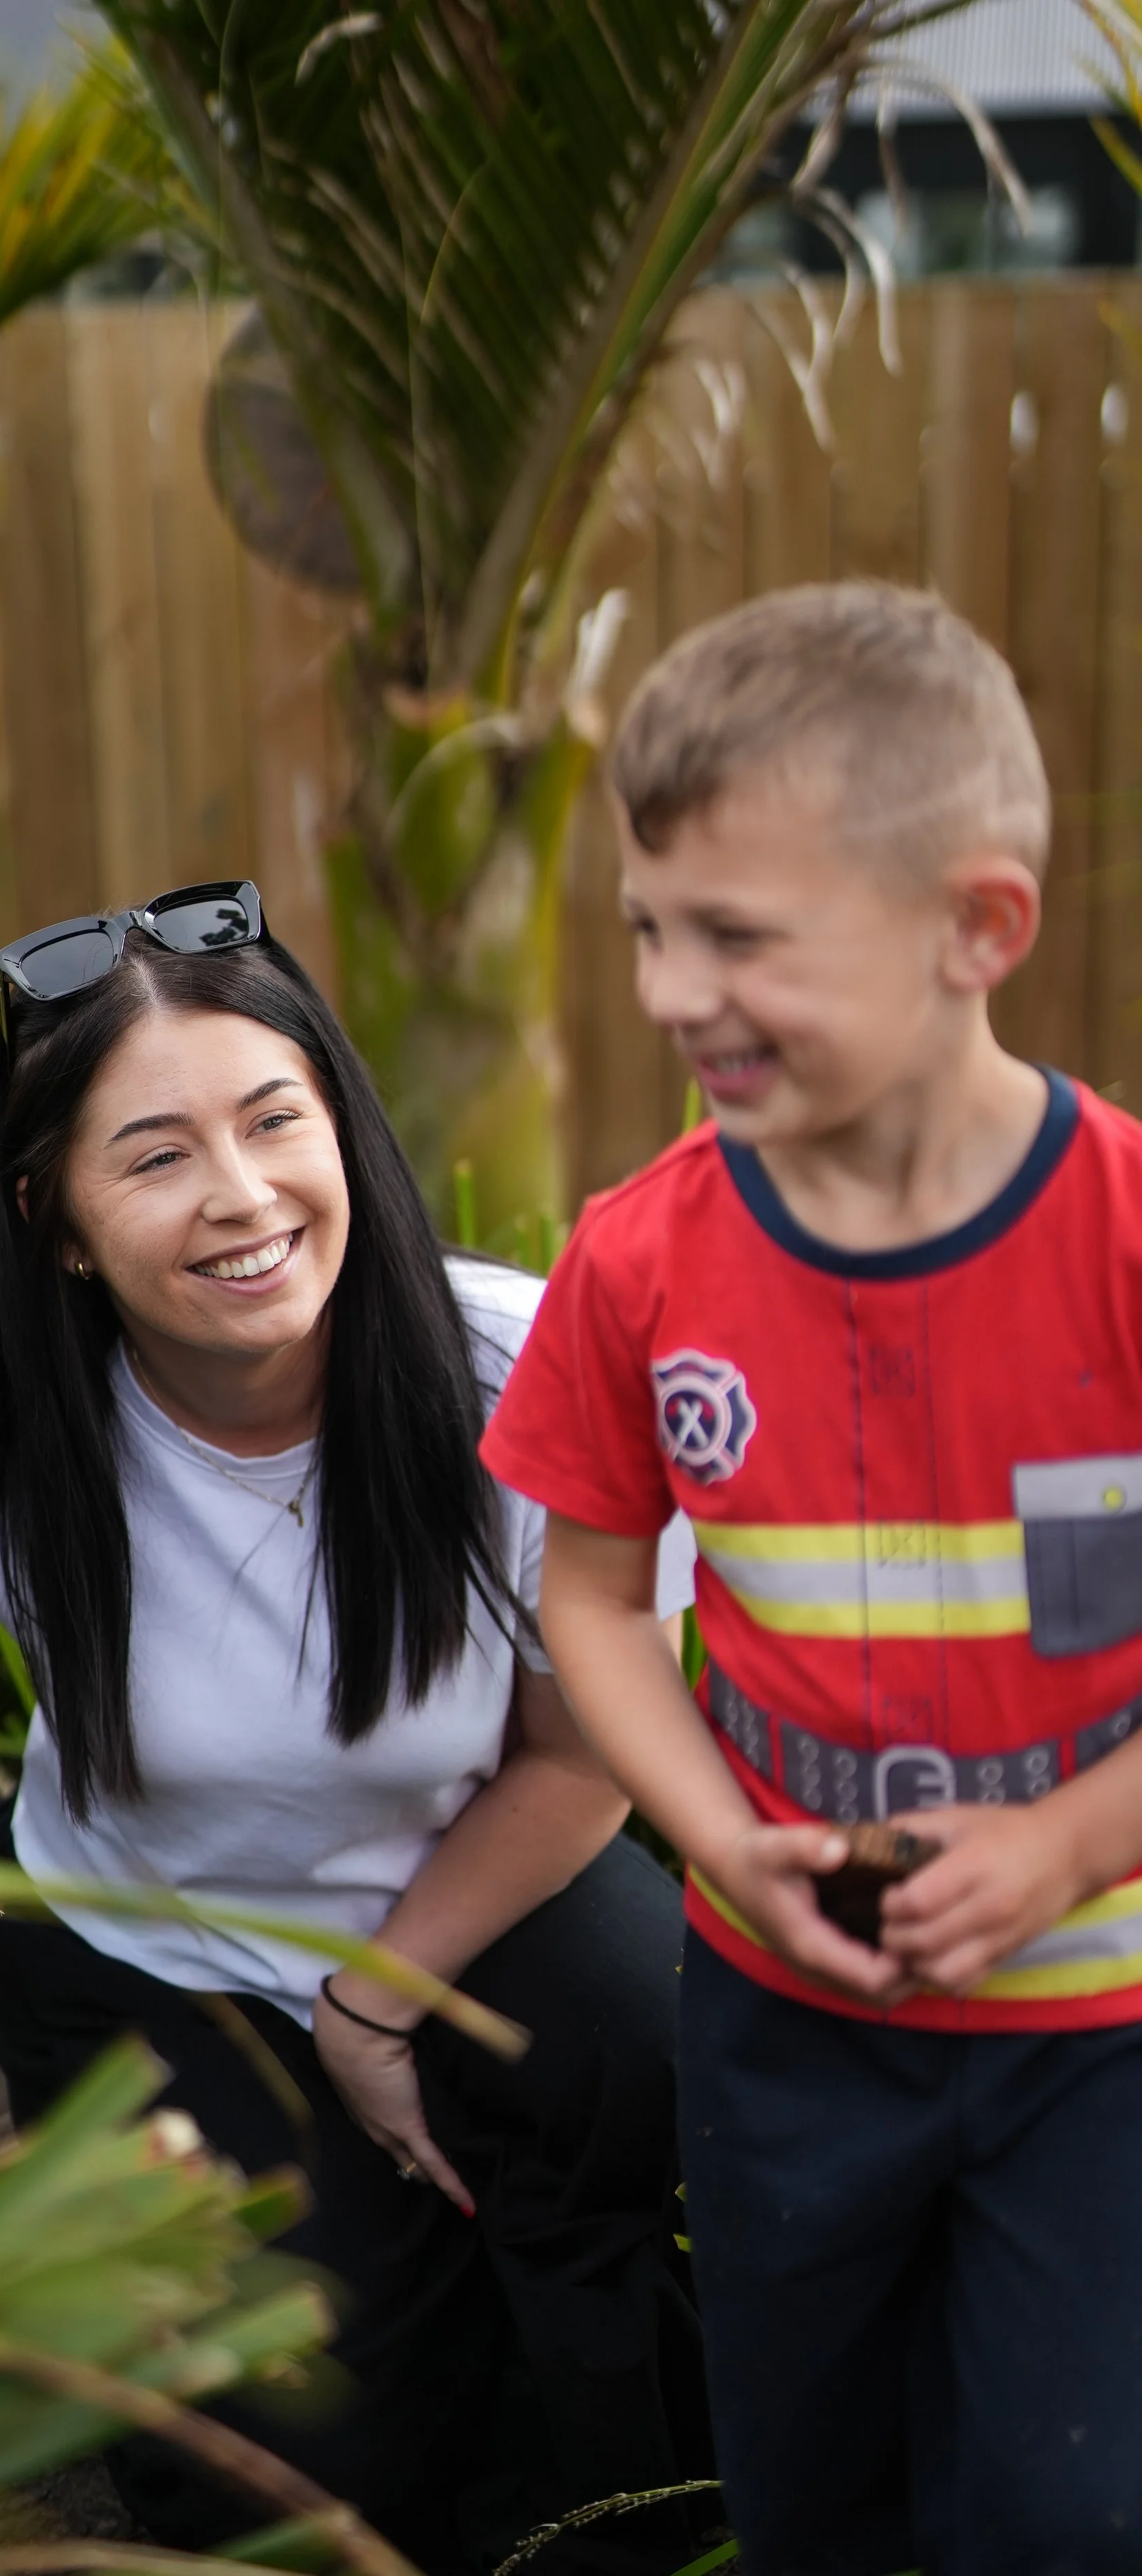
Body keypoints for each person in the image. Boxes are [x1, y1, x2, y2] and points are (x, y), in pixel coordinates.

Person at [0, 882, 712, 2575]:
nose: (240, 1198)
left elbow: (578, 1755)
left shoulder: (512, 1363)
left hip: (477, 1882)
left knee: (657, 2077)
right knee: (297, 2467)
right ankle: (364, 2269)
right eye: (154, 1156)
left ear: (339, 1120)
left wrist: (375, 2009)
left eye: (269, 1121)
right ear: (58, 1222)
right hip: (156, 1949)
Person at [483, 581, 1142, 2576]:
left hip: (1095, 2029)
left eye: (740, 936)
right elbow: (590, 1601)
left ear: (976, 927)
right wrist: (712, 1837)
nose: (676, 988)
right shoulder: (635, 1258)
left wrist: (1063, 1846)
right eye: (648, 931)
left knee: (1056, 2509)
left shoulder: (1122, 1241)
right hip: (781, 2026)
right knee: (813, 2502)